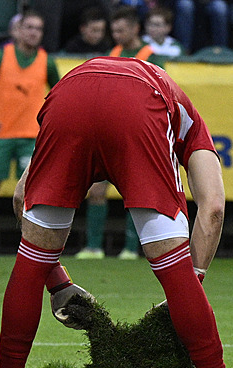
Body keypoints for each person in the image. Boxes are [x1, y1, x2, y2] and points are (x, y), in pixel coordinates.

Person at [0, 56, 233, 368]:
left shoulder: (92, 86)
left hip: (68, 96)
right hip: (139, 106)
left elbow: (22, 199)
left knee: (31, 261)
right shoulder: (190, 123)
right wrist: (188, 287)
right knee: (175, 271)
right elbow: (212, 210)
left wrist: (57, 283)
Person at [0, 10, 60, 256]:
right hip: (2, 136)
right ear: (16, 30)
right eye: (29, 27)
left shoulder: (46, 61)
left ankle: (31, 247)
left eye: (38, 28)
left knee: (30, 193)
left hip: (31, 138)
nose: (33, 32)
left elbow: (59, 94)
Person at [75, 5, 165, 260]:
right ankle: (94, 247)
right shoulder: (110, 54)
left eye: (121, 30)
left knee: (134, 193)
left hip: (137, 134)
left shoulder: (152, 56)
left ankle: (131, 249)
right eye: (113, 30)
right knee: (97, 191)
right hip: (109, 132)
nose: (116, 34)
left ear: (136, 29)